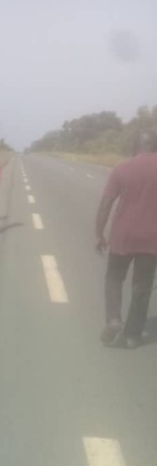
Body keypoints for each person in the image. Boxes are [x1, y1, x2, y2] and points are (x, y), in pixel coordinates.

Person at [95, 132, 157, 349]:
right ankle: (132, 336)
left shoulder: (121, 169)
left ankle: (113, 318)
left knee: (113, 278)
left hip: (123, 236)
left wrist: (98, 234)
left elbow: (106, 204)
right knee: (142, 287)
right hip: (152, 240)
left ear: (135, 147)